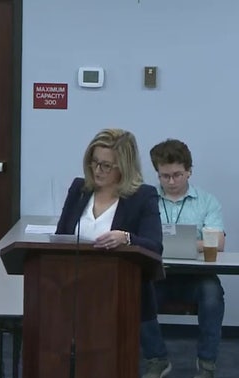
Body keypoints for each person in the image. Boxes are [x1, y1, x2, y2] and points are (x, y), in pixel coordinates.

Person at [139, 139, 226, 378]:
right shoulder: (147, 199)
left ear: (189, 170)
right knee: (137, 293)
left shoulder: (207, 201)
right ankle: (157, 359)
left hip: (197, 276)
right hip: (158, 274)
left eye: (177, 174)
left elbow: (218, 241)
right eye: (164, 176)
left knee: (212, 295)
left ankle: (207, 365)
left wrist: (180, 244)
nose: (171, 181)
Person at [55, 128, 164, 325]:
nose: (97, 170)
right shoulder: (79, 190)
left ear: (124, 166)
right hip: (73, 291)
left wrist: (126, 238)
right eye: (94, 162)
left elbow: (155, 247)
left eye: (106, 166)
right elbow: (61, 237)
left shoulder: (143, 196)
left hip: (119, 294)